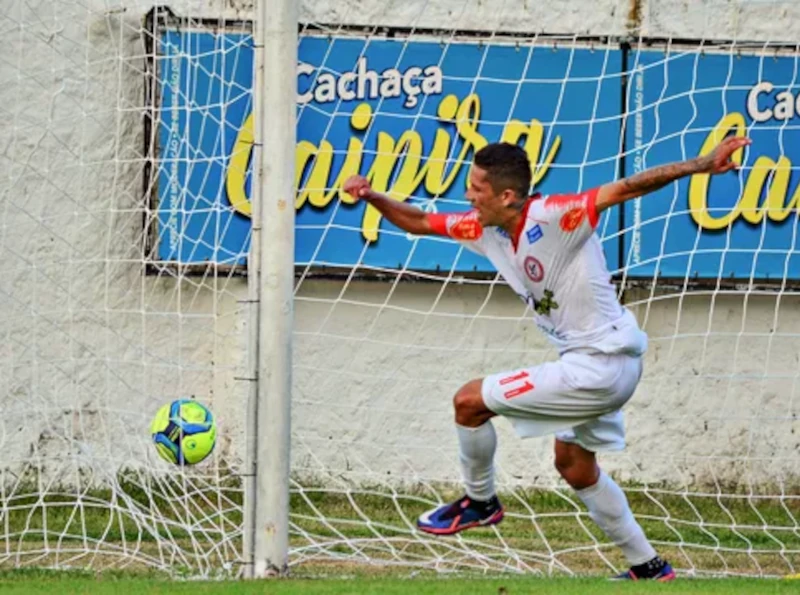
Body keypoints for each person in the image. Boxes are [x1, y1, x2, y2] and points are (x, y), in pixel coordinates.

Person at [343, 136, 750, 581]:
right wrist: (372, 196)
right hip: (605, 361)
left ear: (507, 196)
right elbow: (420, 220)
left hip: (598, 367)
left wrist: (700, 164)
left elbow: (626, 187)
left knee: (469, 403)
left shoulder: (556, 216)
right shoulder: (485, 228)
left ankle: (480, 502)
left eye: (476, 188)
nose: (468, 196)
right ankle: (648, 567)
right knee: (574, 465)